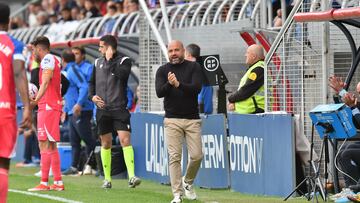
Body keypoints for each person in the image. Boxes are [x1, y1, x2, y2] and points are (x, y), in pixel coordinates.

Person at [89, 35, 141, 189]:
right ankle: (107, 179)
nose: (99, 50)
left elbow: (122, 75)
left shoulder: (124, 61)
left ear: (109, 48)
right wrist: (92, 97)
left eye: (101, 46)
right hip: (102, 110)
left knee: (125, 140)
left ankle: (131, 177)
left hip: (119, 108)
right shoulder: (97, 62)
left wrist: (111, 61)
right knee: (106, 143)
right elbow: (91, 83)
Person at [155, 40, 204, 203]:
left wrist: (178, 84)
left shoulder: (194, 67)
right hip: (172, 120)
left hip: (192, 119)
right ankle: (177, 194)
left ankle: (188, 182)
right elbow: (159, 93)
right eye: (170, 51)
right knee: (175, 157)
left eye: (176, 50)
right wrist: (170, 84)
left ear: (183, 51)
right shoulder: (163, 70)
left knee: (197, 156)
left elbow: (196, 88)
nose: (173, 53)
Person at [0, 3, 32, 202]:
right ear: (10, 22)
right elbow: (19, 73)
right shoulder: (14, 45)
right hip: (5, 112)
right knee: (2, 166)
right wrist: (28, 106)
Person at [28, 36, 64, 191]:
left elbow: (46, 80)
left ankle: (44, 183)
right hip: (51, 105)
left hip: (48, 106)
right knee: (51, 145)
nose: (33, 53)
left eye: (33, 49)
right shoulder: (54, 59)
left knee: (44, 143)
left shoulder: (47, 59)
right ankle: (58, 182)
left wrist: (36, 99)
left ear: (39, 48)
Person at [61, 49, 96, 176]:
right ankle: (74, 167)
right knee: (74, 141)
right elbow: (69, 92)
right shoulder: (69, 70)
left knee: (88, 139)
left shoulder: (73, 70)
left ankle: (93, 165)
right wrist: (65, 109)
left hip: (81, 110)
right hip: (72, 111)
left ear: (62, 60)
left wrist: (79, 103)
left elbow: (84, 86)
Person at [228, 44, 265, 114]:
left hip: (255, 112)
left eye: (247, 53)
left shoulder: (258, 69)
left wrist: (231, 99)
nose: (245, 55)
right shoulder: (256, 68)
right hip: (252, 112)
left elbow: (246, 91)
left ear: (254, 56)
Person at [184, 43, 213, 114]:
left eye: (184, 54)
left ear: (188, 55)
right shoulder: (205, 70)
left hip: (198, 113)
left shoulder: (193, 70)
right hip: (206, 112)